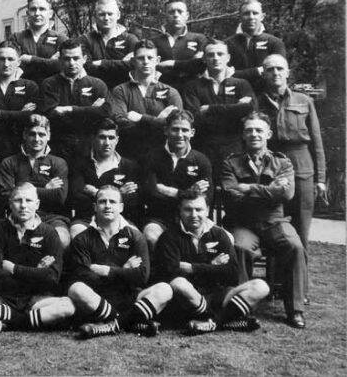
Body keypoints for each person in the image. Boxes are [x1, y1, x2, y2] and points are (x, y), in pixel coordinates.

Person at [221, 112, 306, 328]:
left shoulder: (282, 162)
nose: (254, 134)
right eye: (249, 130)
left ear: (268, 133)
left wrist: (249, 188)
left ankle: (295, 309)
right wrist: (271, 191)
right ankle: (240, 307)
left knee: (294, 246)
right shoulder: (230, 163)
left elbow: (286, 195)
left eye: (259, 130)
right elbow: (232, 195)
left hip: (275, 222)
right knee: (239, 247)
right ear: (243, 134)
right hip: (244, 222)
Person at [151, 189, 270, 334]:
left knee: (261, 286)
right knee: (179, 283)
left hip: (217, 295)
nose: (194, 215)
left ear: (207, 210)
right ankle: (225, 320)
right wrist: (213, 266)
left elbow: (232, 273)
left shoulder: (219, 234)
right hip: (188, 300)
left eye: (198, 209)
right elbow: (171, 273)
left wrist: (192, 268)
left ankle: (213, 322)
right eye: (188, 210)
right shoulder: (168, 237)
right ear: (180, 211)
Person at [0, 183, 73, 333]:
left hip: (36, 298)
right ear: (10, 203)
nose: (23, 206)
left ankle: (7, 323)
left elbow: (52, 277)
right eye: (18, 200)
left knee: (68, 306)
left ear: (37, 204)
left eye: (28, 200)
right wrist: (37, 271)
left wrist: (13, 268)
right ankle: (25, 321)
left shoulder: (49, 233)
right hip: (2, 297)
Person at [66, 185, 170, 338]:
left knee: (165, 289)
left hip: (131, 298)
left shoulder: (135, 236)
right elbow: (84, 276)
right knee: (76, 289)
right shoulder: (83, 238)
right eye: (102, 201)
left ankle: (112, 325)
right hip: (98, 299)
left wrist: (107, 270)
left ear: (121, 207)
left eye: (113, 202)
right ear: (94, 207)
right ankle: (132, 322)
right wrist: (124, 269)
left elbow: (142, 276)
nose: (107, 205)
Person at [258, 54, 325, 277]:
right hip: (271, 168)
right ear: (264, 73)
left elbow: (316, 142)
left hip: (302, 167)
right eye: (270, 69)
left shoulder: (304, 101)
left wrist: (321, 179)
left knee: (301, 229)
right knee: (273, 227)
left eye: (279, 68)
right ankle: (274, 282)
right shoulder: (258, 102)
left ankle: (299, 286)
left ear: (287, 72)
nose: (275, 73)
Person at [182, 39, 257, 184]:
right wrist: (235, 109)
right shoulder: (192, 86)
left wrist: (211, 109)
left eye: (220, 54)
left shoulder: (241, 84)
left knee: (233, 195)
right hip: (203, 148)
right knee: (204, 196)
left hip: (235, 150)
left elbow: (250, 110)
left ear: (228, 57)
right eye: (211, 54)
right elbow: (195, 119)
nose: (215, 58)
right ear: (204, 58)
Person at [142, 110, 213, 250]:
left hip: (193, 218)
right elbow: (150, 194)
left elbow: (207, 198)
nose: (180, 135)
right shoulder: (152, 157)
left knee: (226, 238)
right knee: (151, 236)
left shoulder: (201, 160)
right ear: (166, 130)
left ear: (192, 132)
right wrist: (188, 193)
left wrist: (170, 191)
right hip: (159, 218)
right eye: (175, 129)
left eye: (184, 130)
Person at [0, 115, 71, 249]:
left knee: (62, 239)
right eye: (32, 134)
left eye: (41, 134)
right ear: (25, 135)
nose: (37, 139)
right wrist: (45, 188)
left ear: (48, 136)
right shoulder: (9, 162)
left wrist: (21, 190)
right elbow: (6, 196)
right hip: (18, 215)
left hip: (51, 217)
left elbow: (60, 197)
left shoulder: (59, 163)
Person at [110, 39, 183, 162]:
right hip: (128, 156)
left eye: (150, 58)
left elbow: (177, 127)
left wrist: (141, 118)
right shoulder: (120, 90)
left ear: (158, 60)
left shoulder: (171, 92)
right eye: (141, 58)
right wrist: (159, 122)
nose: (145, 62)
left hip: (162, 158)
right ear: (133, 61)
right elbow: (120, 125)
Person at [39, 38, 110, 163]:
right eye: (67, 59)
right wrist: (90, 111)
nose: (71, 63)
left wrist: (68, 109)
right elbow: (49, 114)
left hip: (89, 148)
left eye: (76, 58)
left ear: (85, 58)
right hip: (58, 148)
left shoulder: (97, 84)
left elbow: (105, 113)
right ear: (60, 60)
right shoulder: (49, 84)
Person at [69, 119, 142, 237]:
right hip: (86, 219)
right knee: (76, 234)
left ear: (117, 140)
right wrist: (119, 194)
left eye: (111, 138)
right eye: (102, 137)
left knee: (135, 237)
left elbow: (132, 201)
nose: (107, 142)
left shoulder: (129, 166)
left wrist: (95, 192)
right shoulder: (80, 164)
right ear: (93, 138)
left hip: (119, 219)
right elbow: (76, 197)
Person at [224, 0, 286, 92]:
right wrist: (258, 71)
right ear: (239, 16)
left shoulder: (275, 43)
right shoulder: (227, 44)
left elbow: (278, 72)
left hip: (266, 96)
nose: (251, 17)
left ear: (262, 16)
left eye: (255, 13)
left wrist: (235, 73)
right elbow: (223, 73)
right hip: (236, 96)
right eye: (246, 13)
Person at [151, 0, 207, 92]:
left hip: (192, 92)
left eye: (180, 11)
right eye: (171, 12)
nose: (176, 15)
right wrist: (189, 64)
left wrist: (172, 64)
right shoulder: (153, 42)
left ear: (187, 15)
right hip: (161, 91)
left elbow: (201, 64)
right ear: (165, 16)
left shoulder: (199, 39)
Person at [81, 0, 139, 89]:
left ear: (118, 15)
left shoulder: (130, 39)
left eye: (110, 14)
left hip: (124, 92)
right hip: (94, 91)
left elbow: (136, 64)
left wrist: (102, 63)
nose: (106, 18)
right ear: (95, 16)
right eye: (102, 14)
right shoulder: (85, 39)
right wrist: (121, 64)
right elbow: (85, 66)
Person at [8, 0, 66, 83]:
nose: (37, 13)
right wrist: (49, 63)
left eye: (42, 9)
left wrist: (30, 59)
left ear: (50, 13)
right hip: (23, 90)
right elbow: (11, 65)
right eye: (33, 9)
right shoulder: (16, 37)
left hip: (51, 90)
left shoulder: (60, 39)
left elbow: (61, 65)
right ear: (27, 13)